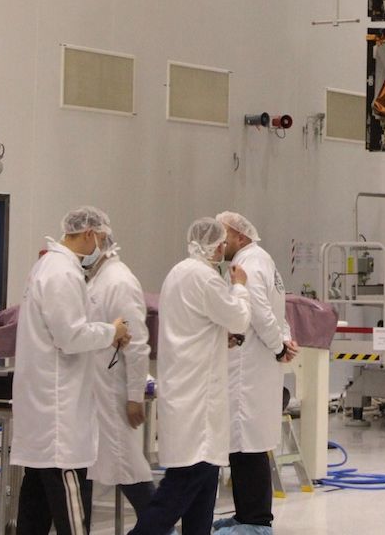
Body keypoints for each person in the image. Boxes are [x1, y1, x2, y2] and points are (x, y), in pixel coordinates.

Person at [127, 219, 251, 535]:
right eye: (223, 242)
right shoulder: (206, 278)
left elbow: (191, 326)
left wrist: (215, 338)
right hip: (197, 398)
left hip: (185, 386)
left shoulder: (178, 273)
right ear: (217, 245)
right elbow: (238, 317)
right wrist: (240, 287)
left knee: (204, 486)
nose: (225, 248)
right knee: (184, 484)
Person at [15, 208, 133, 535]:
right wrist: (113, 331)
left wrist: (107, 335)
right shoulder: (62, 273)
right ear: (88, 234)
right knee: (70, 508)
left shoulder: (48, 266)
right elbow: (70, 336)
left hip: (44, 408)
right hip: (58, 416)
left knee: (35, 506)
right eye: (100, 237)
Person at [214, 211, 298, 535]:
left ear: (241, 236)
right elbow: (280, 310)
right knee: (250, 442)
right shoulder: (265, 260)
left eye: (224, 235)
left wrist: (279, 346)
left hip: (247, 366)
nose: (221, 242)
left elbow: (261, 312)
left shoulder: (246, 265)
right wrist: (285, 340)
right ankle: (248, 515)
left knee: (245, 443)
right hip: (259, 365)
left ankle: (255, 521)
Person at [81, 208, 158, 515]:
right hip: (95, 392)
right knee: (92, 466)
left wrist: (135, 396)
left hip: (114, 391)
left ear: (99, 238)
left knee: (129, 468)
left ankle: (159, 528)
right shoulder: (96, 279)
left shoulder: (119, 281)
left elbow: (137, 343)